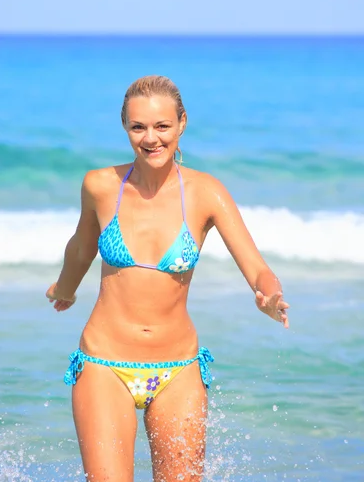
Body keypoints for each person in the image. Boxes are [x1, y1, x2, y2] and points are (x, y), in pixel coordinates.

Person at [46, 75, 289, 482]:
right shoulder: (101, 186)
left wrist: (269, 294)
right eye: (138, 127)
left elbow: (256, 266)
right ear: (125, 127)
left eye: (162, 126)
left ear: (181, 124)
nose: (150, 138)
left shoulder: (205, 192)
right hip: (105, 362)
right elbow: (82, 246)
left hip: (178, 368)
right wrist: (64, 288)